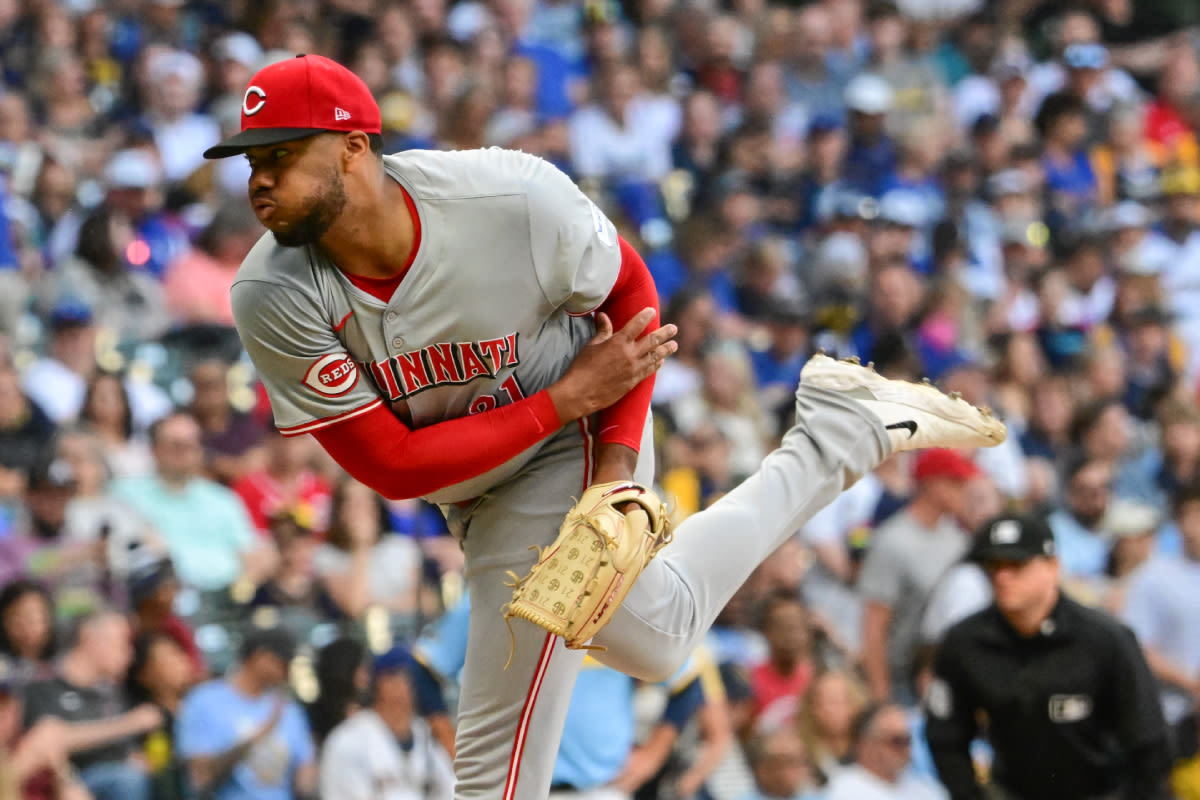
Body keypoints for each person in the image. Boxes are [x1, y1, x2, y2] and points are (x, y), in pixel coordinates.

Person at [205, 54, 1005, 799]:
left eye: (280, 154)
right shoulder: (272, 294)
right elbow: (391, 466)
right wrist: (563, 401)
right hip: (512, 443)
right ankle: (841, 432)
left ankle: (837, 432)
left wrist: (613, 475)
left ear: (351, 148)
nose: (259, 180)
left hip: (576, 437)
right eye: (251, 162)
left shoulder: (507, 199)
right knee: (658, 637)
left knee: (499, 742)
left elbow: (633, 297)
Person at [925, 511, 1173, 800]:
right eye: (994, 566)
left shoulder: (1105, 640)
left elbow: (1149, 742)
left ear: (1052, 567)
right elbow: (944, 736)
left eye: (1016, 565)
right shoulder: (966, 643)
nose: (1003, 577)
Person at [174, 626, 316, 800]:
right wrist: (257, 736)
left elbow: (305, 775)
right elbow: (199, 777)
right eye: (283, 663)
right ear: (260, 657)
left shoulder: (289, 709)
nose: (287, 673)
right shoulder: (203, 701)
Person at [319, 645, 456, 800]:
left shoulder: (425, 736)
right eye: (404, 676)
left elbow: (451, 790)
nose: (413, 685)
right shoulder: (348, 740)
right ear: (382, 683)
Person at [824, 703, 946, 800]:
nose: (906, 748)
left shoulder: (926, 789)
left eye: (907, 739)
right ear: (866, 745)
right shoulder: (840, 790)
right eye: (896, 740)